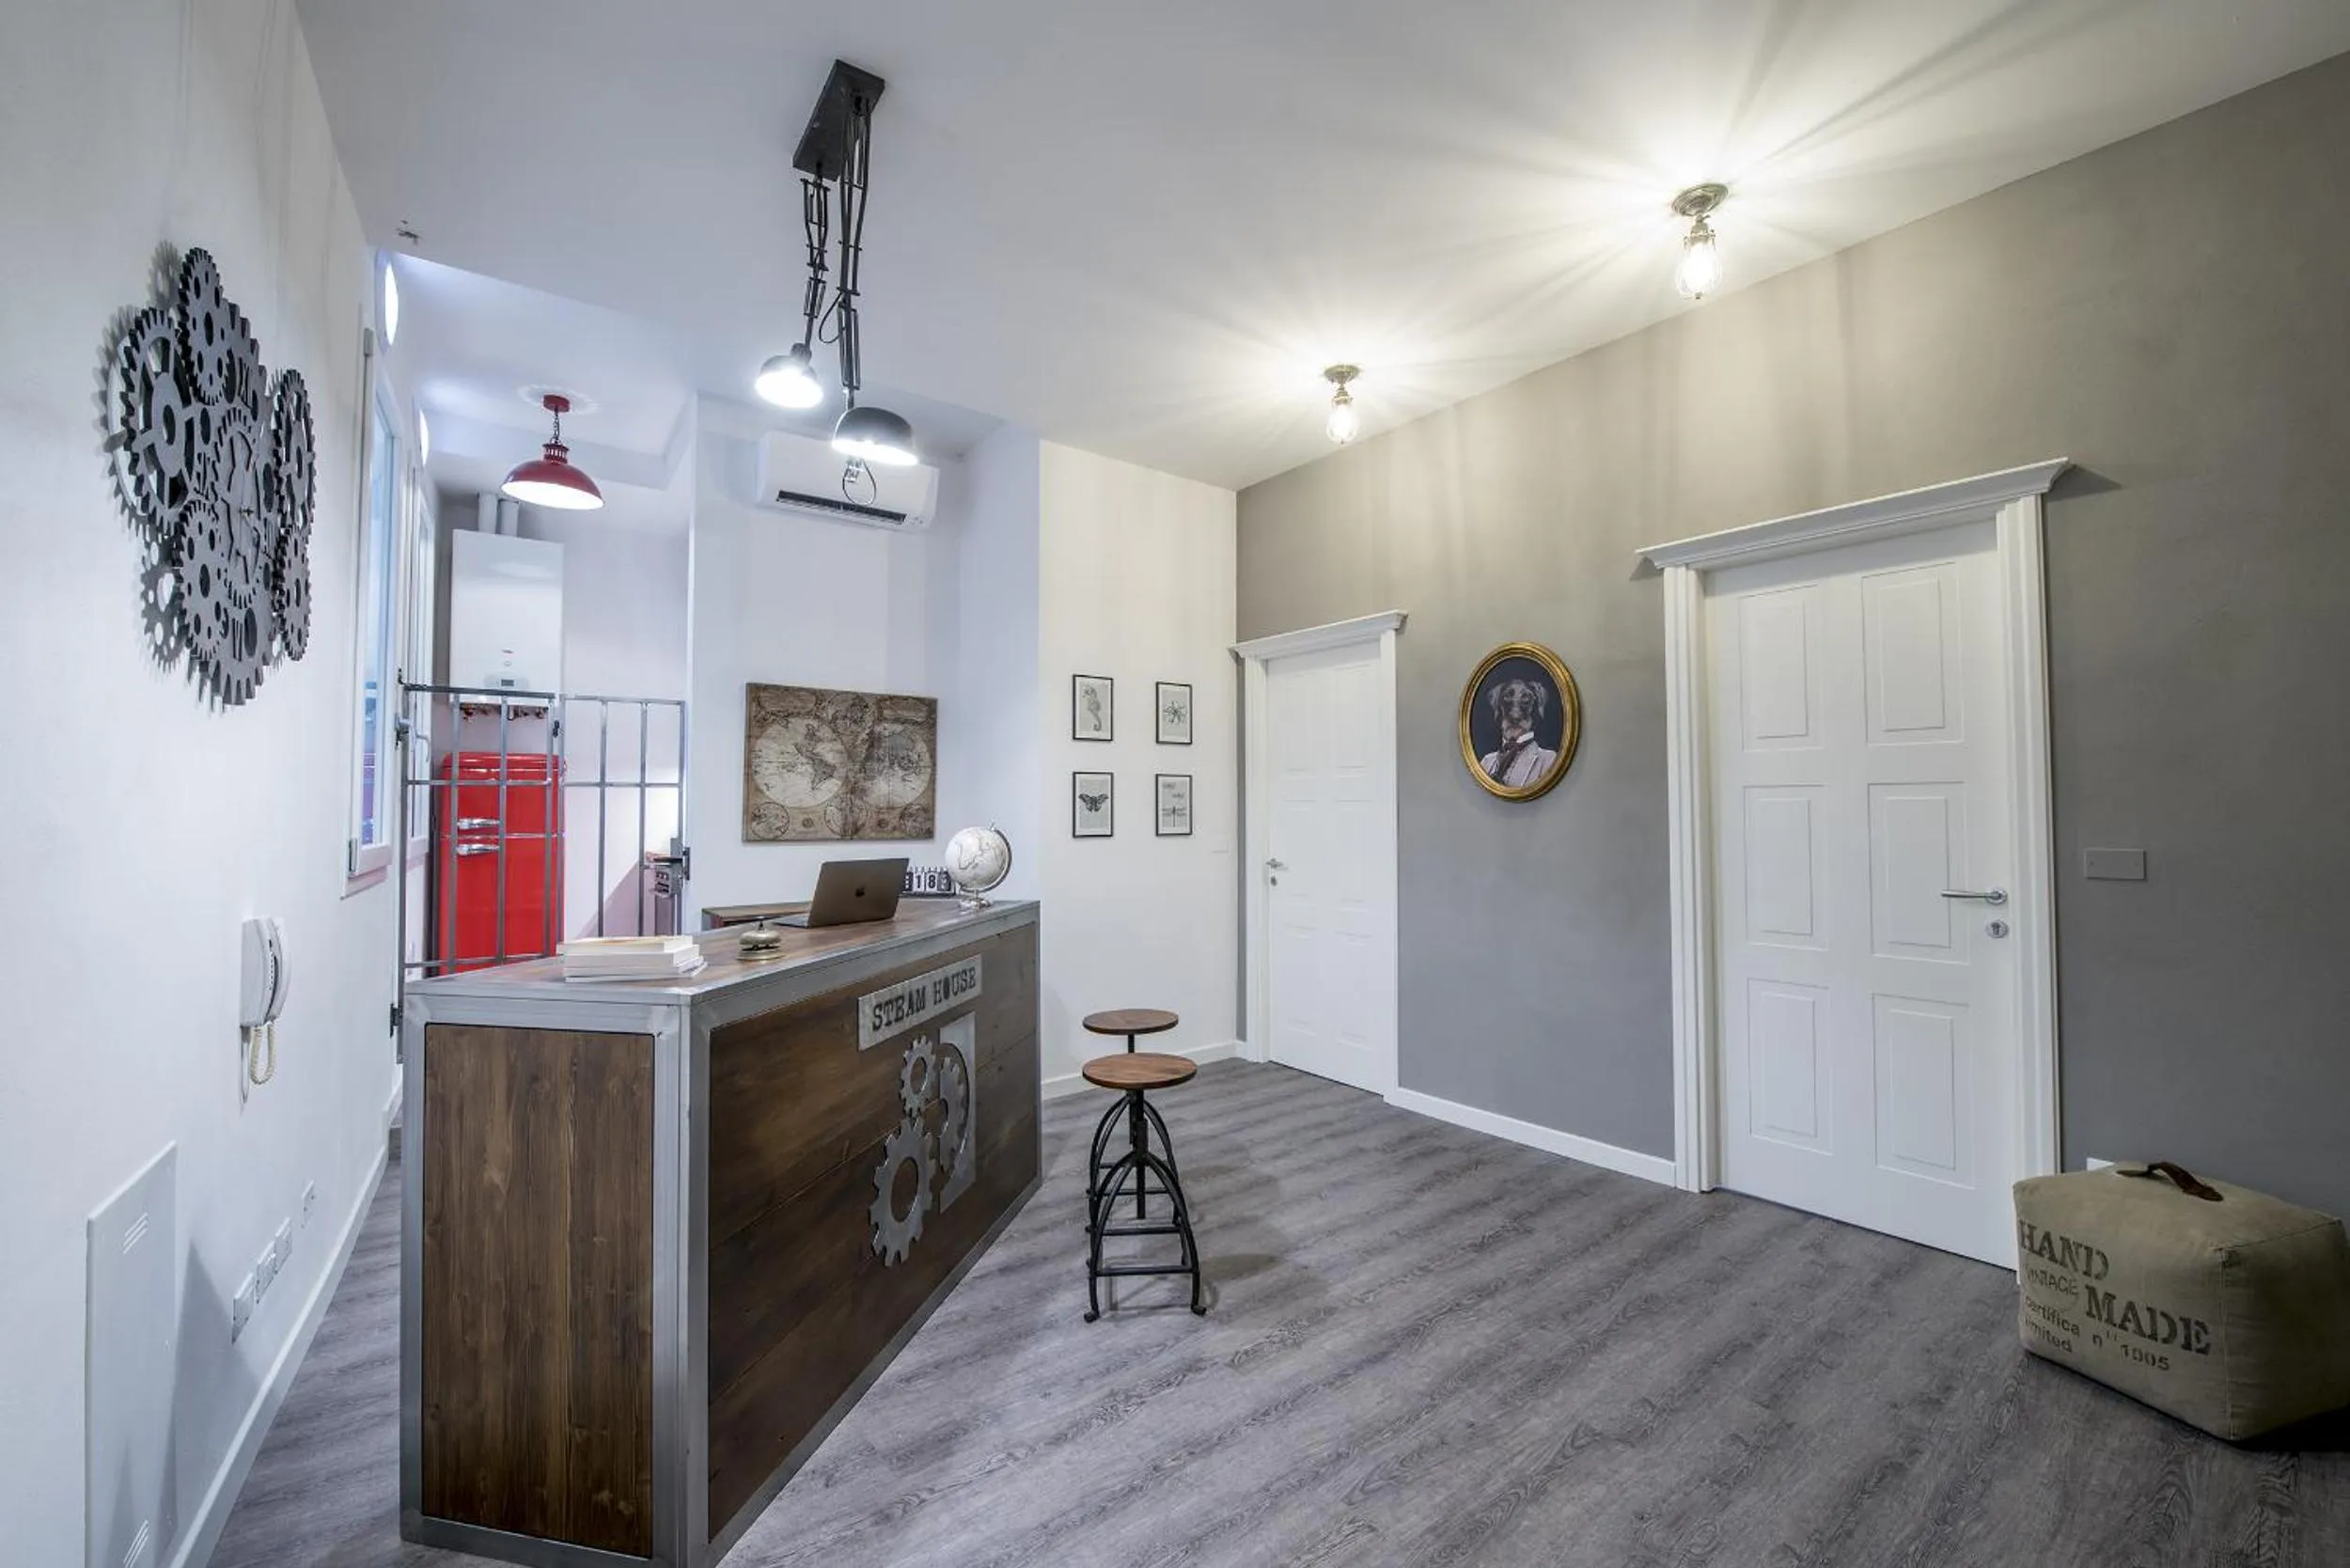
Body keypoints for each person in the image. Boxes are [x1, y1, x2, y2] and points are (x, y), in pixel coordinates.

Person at [1479, 675, 1556, 788]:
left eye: (1526, 699)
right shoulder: (1486, 762)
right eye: (1507, 697)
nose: (1515, 715)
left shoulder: (1548, 760)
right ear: (1497, 705)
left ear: (1538, 704)